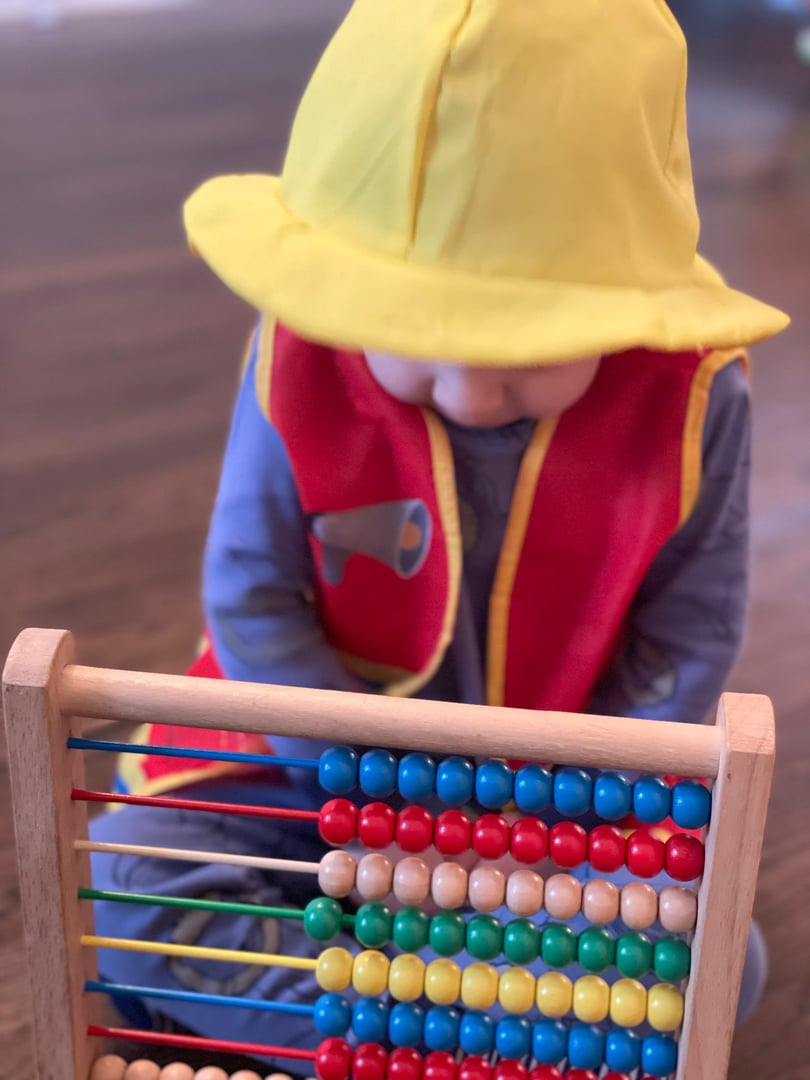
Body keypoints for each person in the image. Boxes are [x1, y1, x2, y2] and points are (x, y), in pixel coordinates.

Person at [90, 0, 788, 1066]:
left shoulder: (701, 401)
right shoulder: (296, 348)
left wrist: (542, 813)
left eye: (528, 346)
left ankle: (415, 1017)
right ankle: (432, 1030)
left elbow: (685, 642)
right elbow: (252, 596)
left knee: (714, 962)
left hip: (557, 811)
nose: (469, 394)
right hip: (308, 773)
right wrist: (369, 782)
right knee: (124, 872)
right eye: (416, 337)